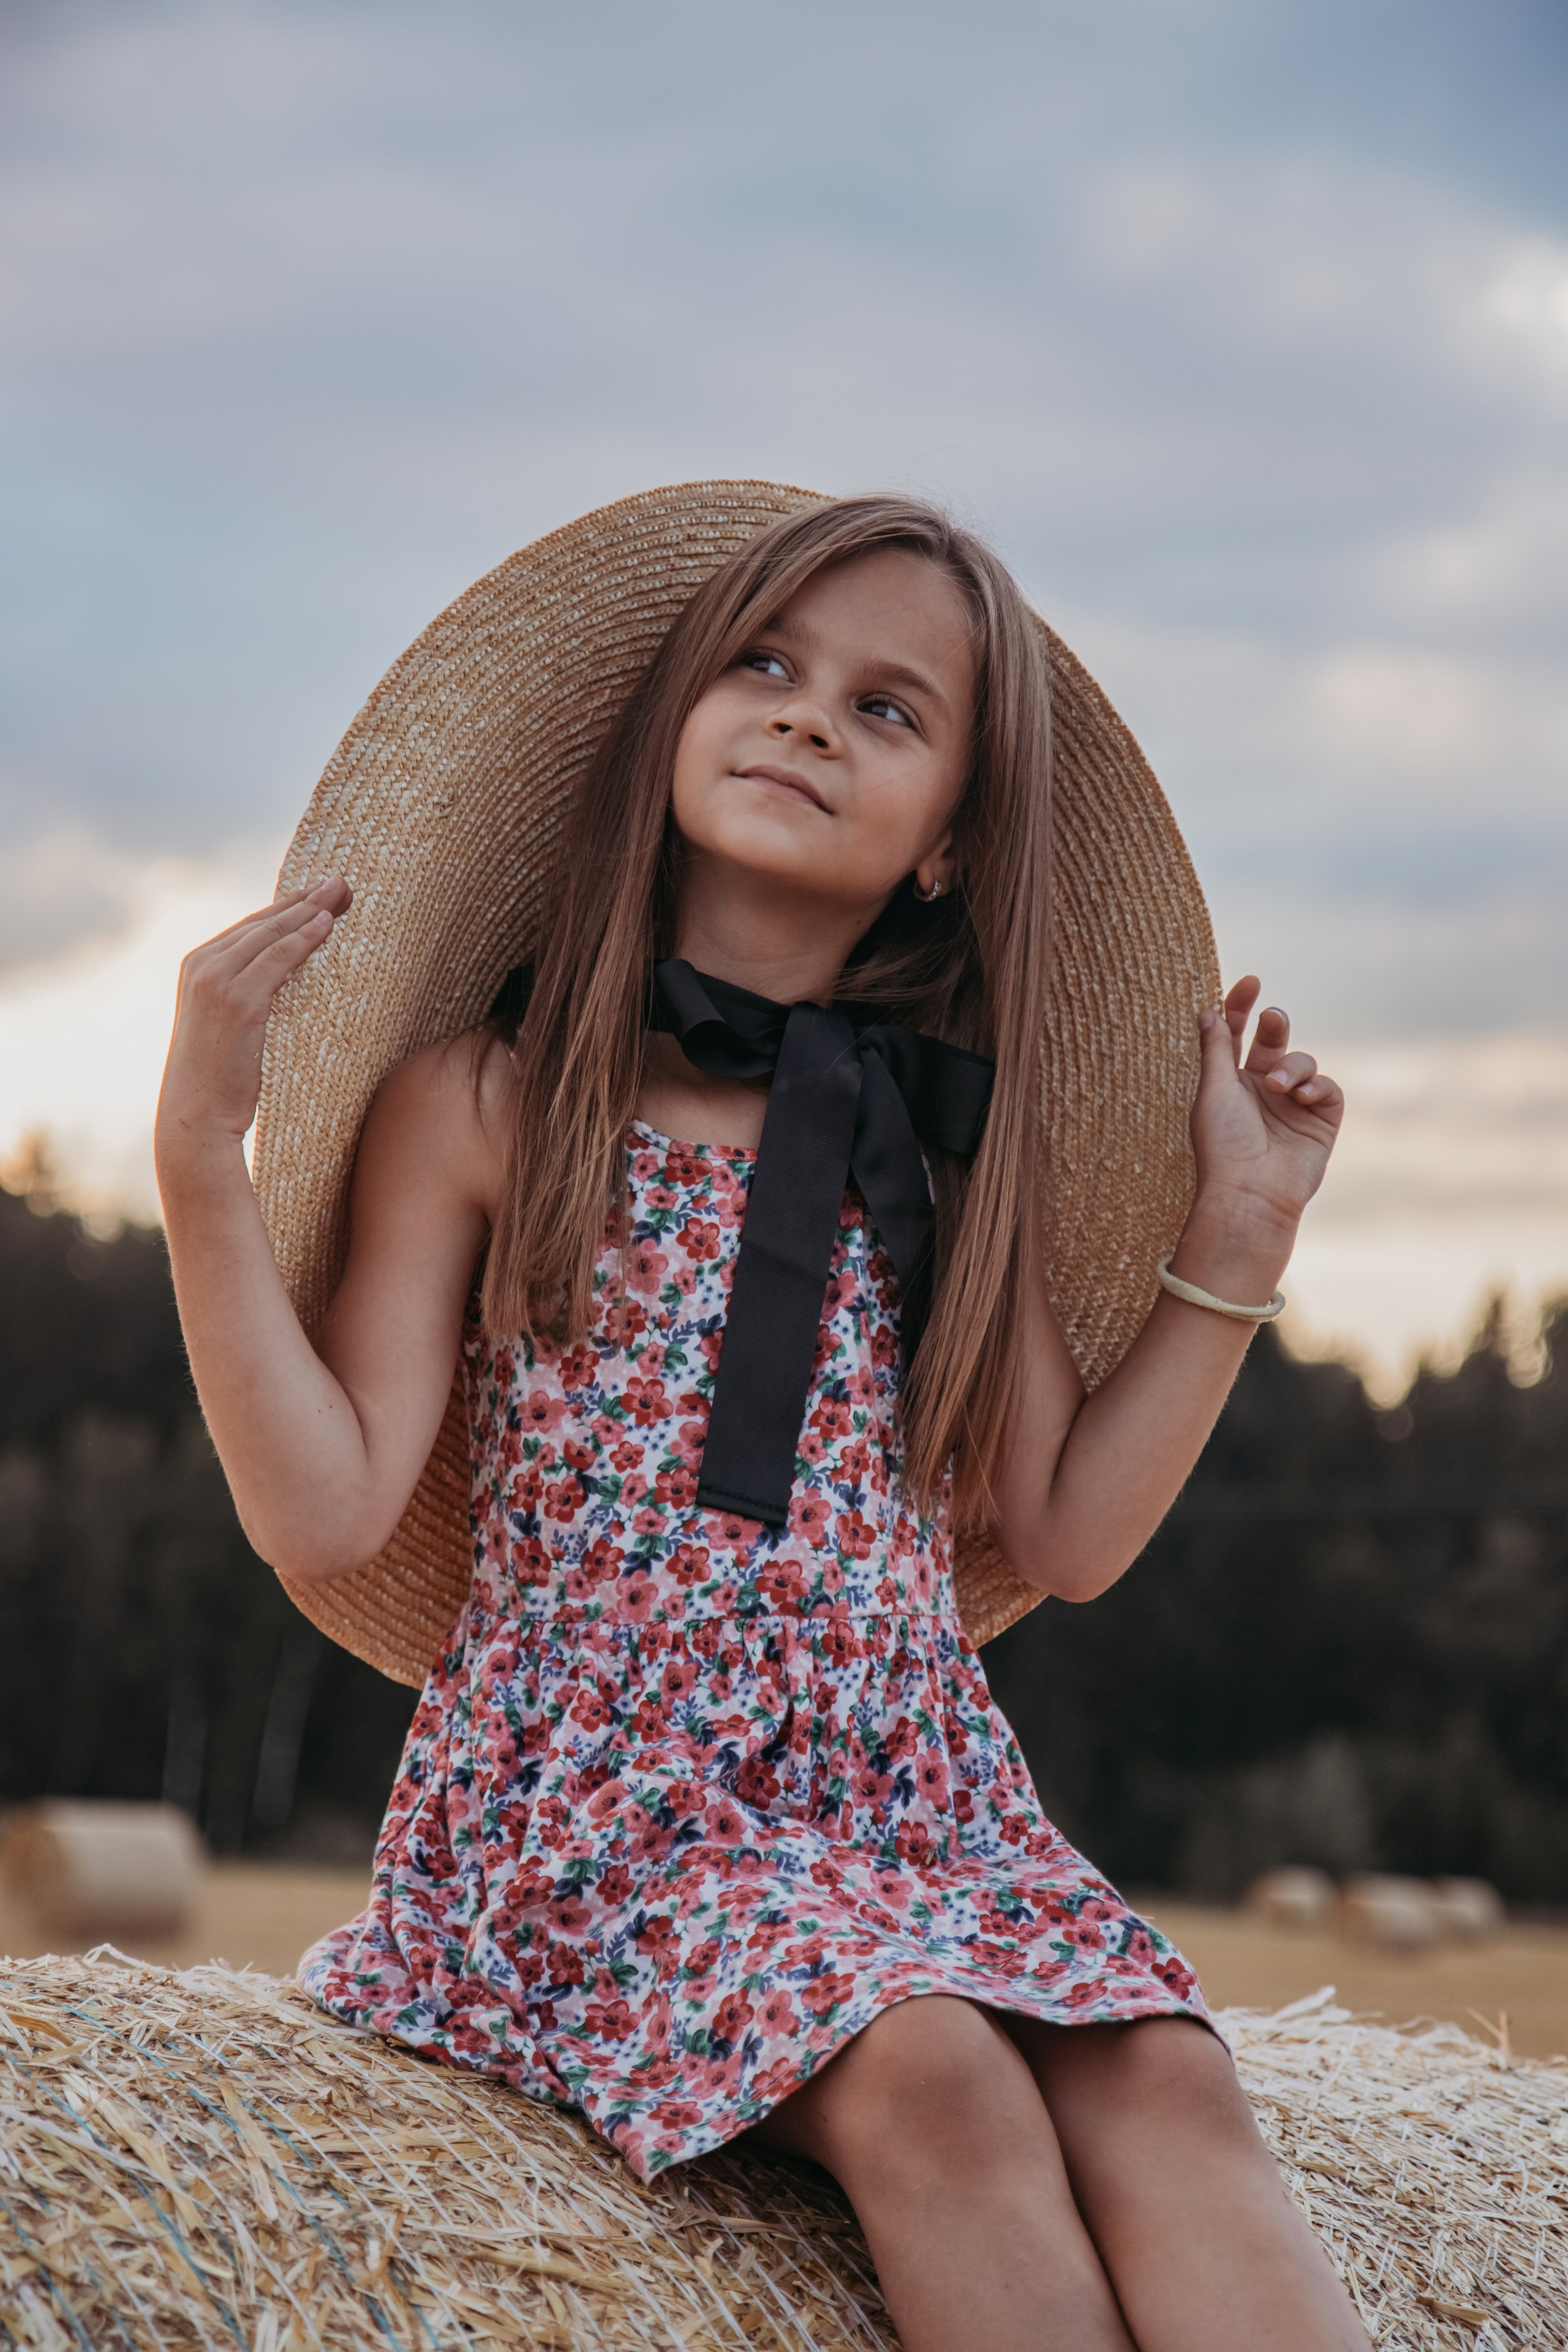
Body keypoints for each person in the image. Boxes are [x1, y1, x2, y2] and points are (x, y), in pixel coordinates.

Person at [156, 486, 1365, 2351]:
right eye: (769, 666)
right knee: (942, 2073)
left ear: (950, 845)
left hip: (916, 1806)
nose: (811, 715)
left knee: (1169, 2077)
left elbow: (1066, 1533)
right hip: (601, 1809)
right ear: (666, 730)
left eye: (890, 709)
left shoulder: (953, 1151)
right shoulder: (482, 1099)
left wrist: (1241, 1233)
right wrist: (198, 1166)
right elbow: (323, 1507)